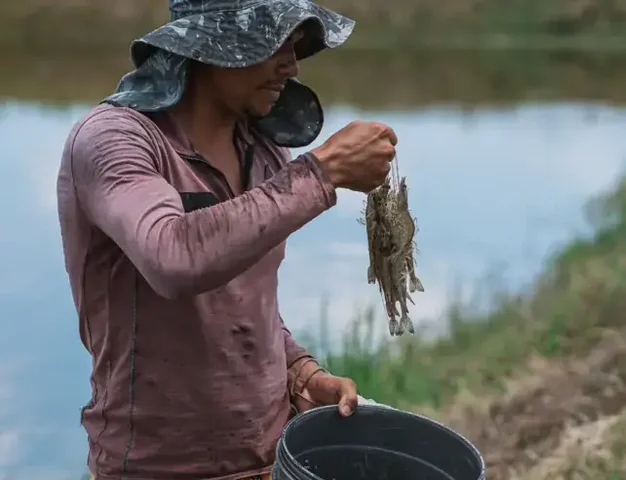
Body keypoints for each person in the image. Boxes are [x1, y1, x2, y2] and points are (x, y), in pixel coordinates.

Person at [56, 0, 397, 479]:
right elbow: (173, 258)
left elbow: (244, 304)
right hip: (155, 469)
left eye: (296, 46)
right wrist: (323, 172)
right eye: (275, 42)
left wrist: (302, 375)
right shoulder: (116, 141)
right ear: (207, 44)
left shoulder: (263, 149)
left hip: (270, 460)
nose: (292, 65)